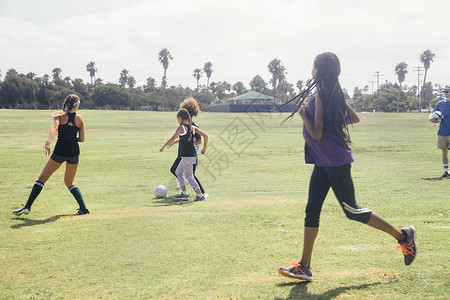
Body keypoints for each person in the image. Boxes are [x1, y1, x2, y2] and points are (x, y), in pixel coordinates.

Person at [278, 52, 417, 281]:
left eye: (313, 66)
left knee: (351, 210)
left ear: (317, 70)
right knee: (312, 209)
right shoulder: (330, 92)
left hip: (335, 161)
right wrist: (330, 121)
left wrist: (303, 114)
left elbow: (317, 133)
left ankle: (404, 236)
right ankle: (305, 267)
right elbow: (353, 118)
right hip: (323, 161)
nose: (310, 69)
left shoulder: (322, 95)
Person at [13, 94, 90, 216]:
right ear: (77, 105)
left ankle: (27, 207)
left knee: (42, 178)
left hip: (60, 151)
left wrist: (48, 143)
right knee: (69, 182)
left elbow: (54, 127)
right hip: (74, 153)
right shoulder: (80, 119)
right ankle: (83, 209)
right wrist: (71, 137)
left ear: (66, 104)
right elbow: (82, 139)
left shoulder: (59, 115)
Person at [160, 108, 208, 201]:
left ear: (180, 118)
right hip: (189, 155)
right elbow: (206, 136)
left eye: (177, 119)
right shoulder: (192, 127)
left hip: (187, 156)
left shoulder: (181, 128)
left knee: (189, 176)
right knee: (178, 172)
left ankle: (200, 196)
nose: (177, 121)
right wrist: (204, 149)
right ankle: (184, 194)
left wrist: (163, 147)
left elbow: (171, 138)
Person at [429, 85, 450, 178]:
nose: (445, 93)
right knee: (444, 150)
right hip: (442, 131)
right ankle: (446, 171)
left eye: (447, 91)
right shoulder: (440, 103)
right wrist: (431, 119)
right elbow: (433, 114)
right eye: (444, 92)